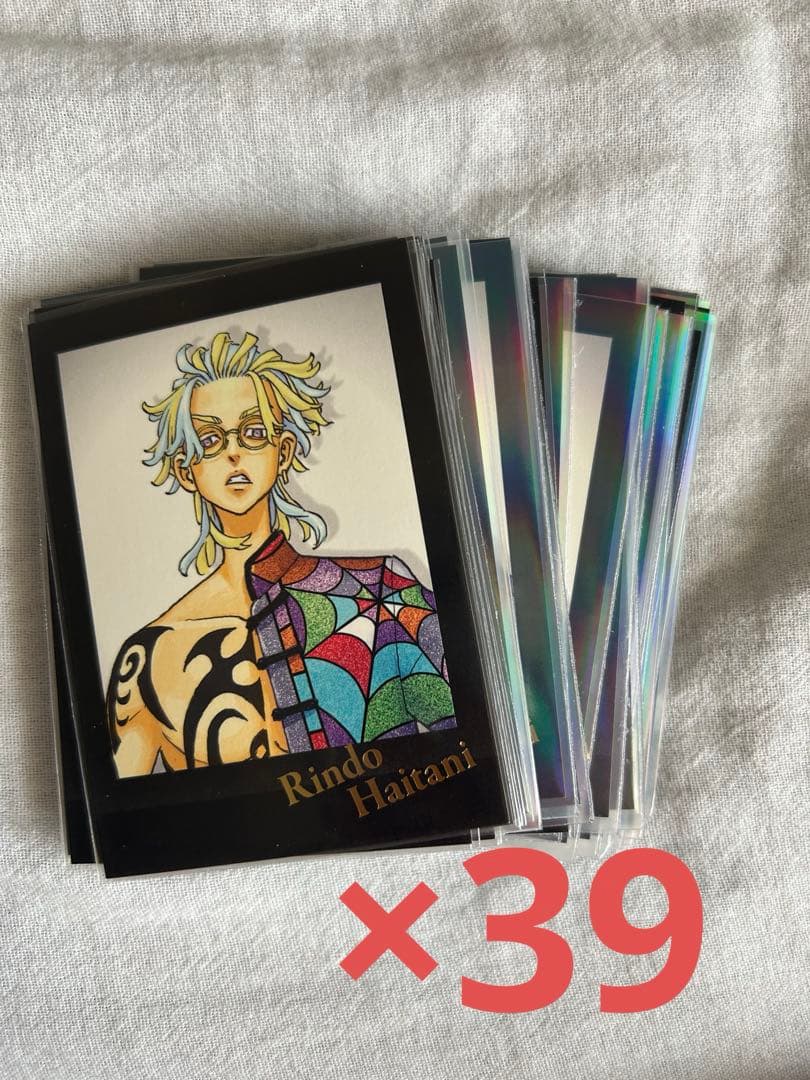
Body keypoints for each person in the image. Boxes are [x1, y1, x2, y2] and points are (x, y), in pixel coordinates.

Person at [106, 330, 455, 778]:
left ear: (283, 450)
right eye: (209, 440)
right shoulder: (145, 659)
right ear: (185, 469)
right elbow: (131, 811)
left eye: (253, 432)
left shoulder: (380, 589)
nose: (233, 452)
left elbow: (479, 747)